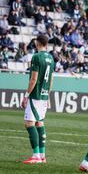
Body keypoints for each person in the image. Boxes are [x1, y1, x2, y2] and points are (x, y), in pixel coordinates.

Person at [21, 35, 54, 164]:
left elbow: (33, 79)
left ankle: (35, 156)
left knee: (29, 123)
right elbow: (51, 79)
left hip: (35, 96)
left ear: (37, 42)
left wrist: (26, 95)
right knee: (39, 123)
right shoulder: (51, 58)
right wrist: (48, 95)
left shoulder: (36, 57)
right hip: (44, 95)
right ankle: (42, 155)